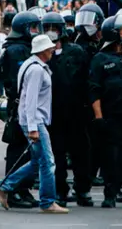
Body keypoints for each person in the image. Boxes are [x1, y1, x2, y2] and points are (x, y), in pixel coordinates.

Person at [0, 34, 67, 214]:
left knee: (37, 161)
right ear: (43, 51)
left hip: (32, 120)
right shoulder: (37, 70)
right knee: (48, 162)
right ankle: (48, 201)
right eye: (49, 48)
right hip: (35, 121)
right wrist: (33, 128)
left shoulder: (30, 65)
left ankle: (5, 185)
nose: (52, 50)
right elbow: (31, 100)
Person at [89, 13, 122, 208]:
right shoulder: (100, 59)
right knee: (112, 157)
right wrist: (99, 116)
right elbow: (94, 90)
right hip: (112, 116)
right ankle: (110, 194)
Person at [43, 11, 93, 207]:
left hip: (77, 112)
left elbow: (86, 80)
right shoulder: (41, 53)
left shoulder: (76, 52)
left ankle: (83, 190)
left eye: (54, 28)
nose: (51, 32)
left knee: (81, 153)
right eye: (47, 28)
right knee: (57, 155)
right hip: (53, 113)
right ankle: (60, 191)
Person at [0, 11, 41, 209]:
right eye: (32, 27)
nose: (35, 32)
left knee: (28, 151)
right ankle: (12, 190)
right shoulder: (16, 50)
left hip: (26, 104)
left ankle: (22, 189)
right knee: (18, 150)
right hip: (20, 105)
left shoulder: (25, 48)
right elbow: (18, 82)